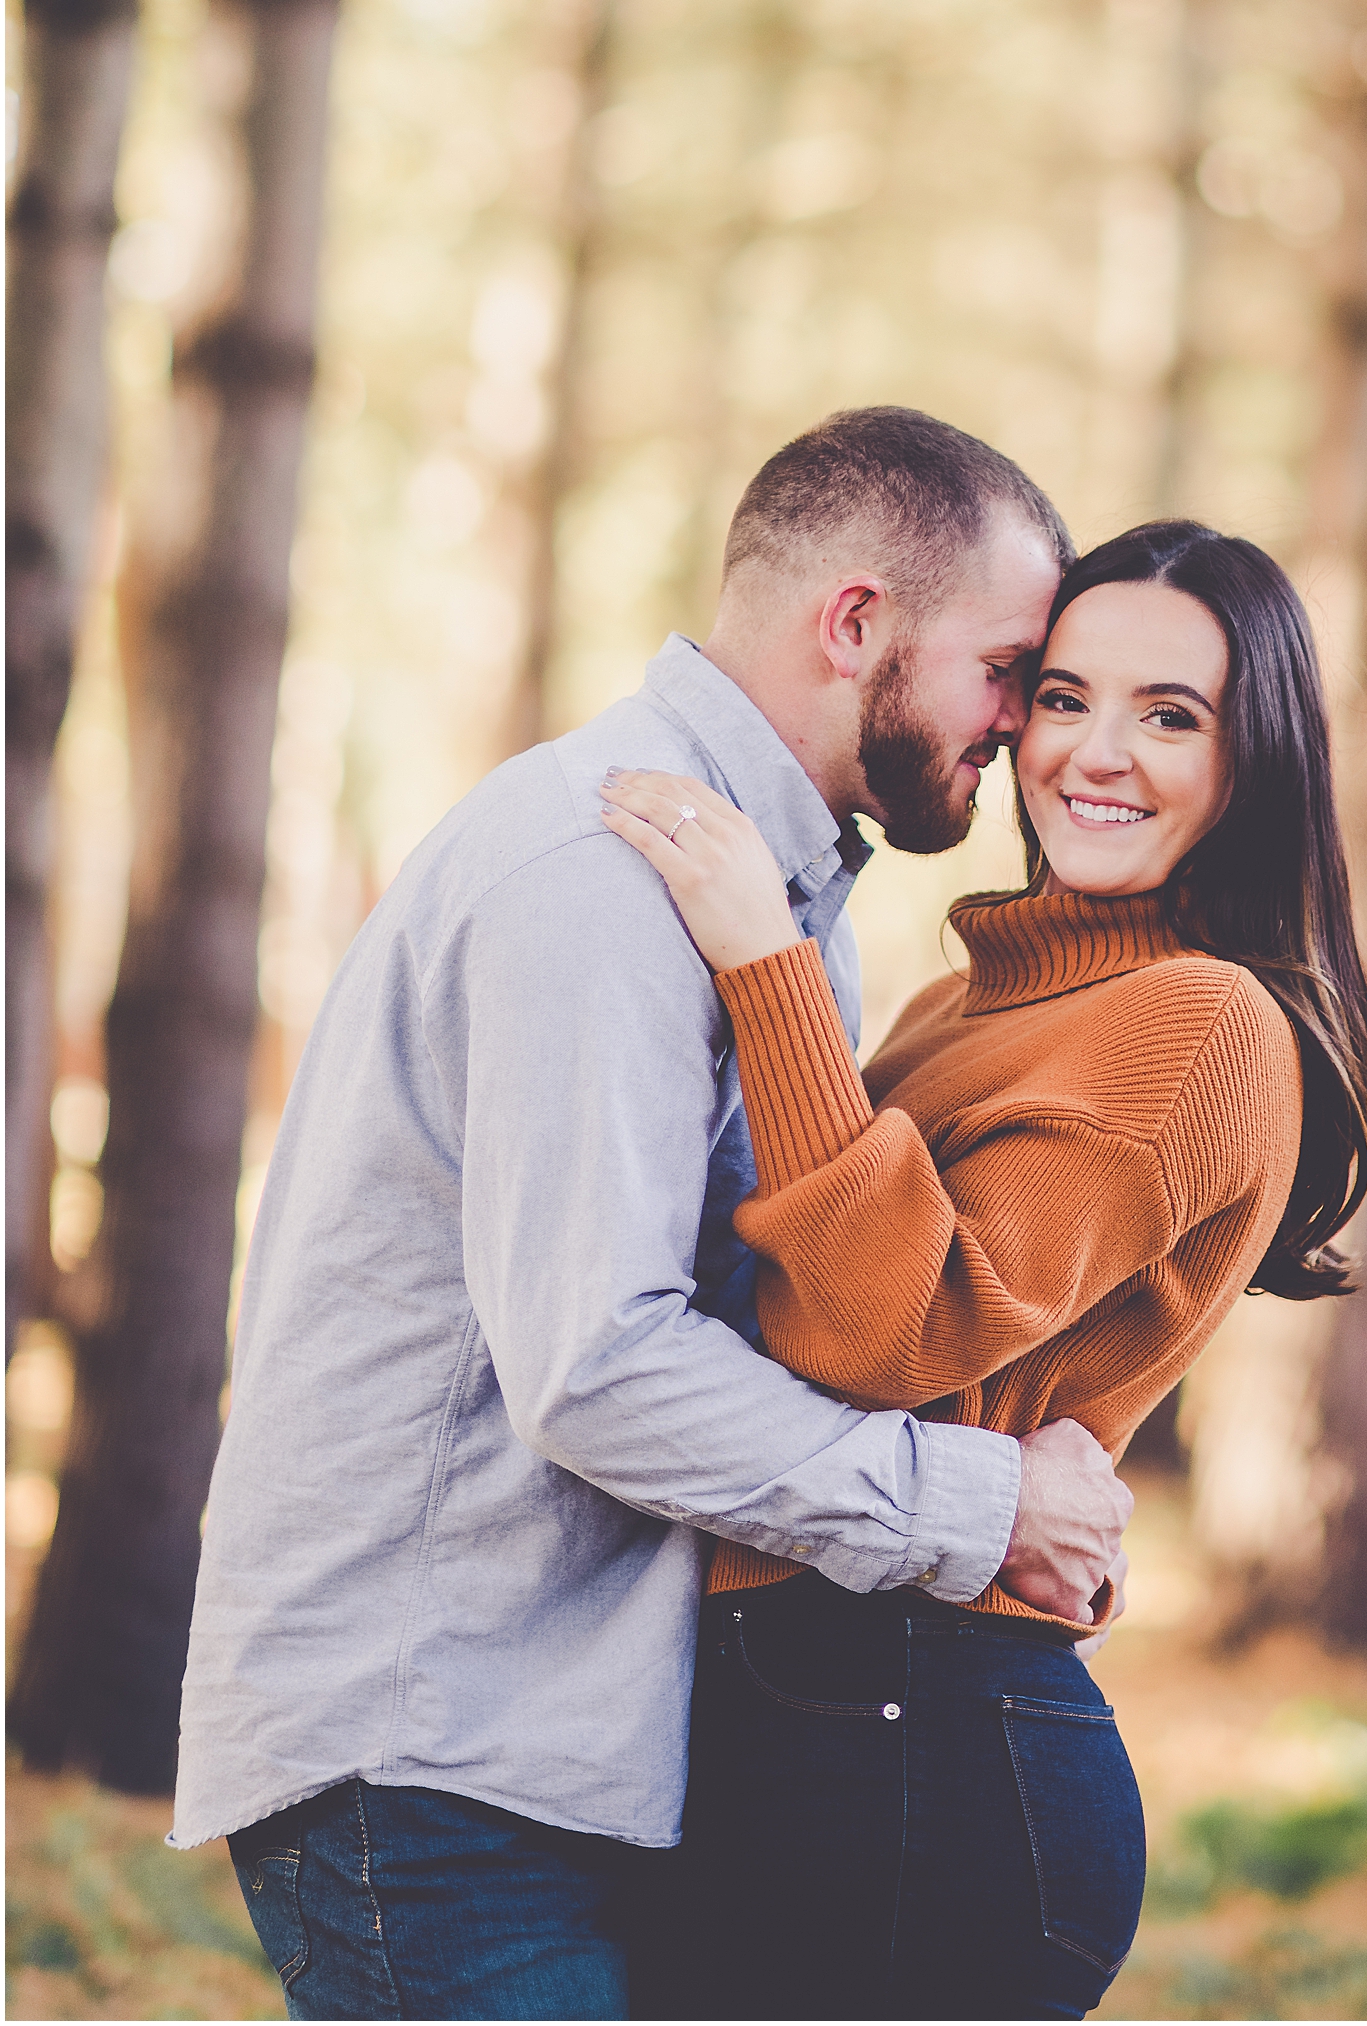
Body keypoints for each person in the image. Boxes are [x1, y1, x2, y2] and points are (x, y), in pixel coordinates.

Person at [171, 406, 1136, 2023]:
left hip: (549, 1748)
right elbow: (602, 1368)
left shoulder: (753, 885)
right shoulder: (607, 872)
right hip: (439, 1759)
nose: (1024, 730)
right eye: (1011, 671)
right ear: (856, 625)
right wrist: (979, 1510)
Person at [601, 517, 1367, 2022]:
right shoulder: (976, 999)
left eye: (1172, 716)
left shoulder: (1199, 1020)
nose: (1095, 751)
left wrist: (766, 966)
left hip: (919, 1748)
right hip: (823, 1708)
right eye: (1065, 694)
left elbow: (875, 1331)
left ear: (1251, 764)